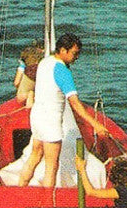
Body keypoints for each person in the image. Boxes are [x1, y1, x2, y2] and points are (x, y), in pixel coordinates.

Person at [17, 33, 107, 189]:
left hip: (37, 118)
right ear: (63, 50)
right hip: (50, 122)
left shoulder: (45, 62)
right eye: (74, 53)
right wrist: (96, 124)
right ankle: (47, 203)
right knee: (52, 166)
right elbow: (75, 104)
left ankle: (20, 188)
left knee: (35, 156)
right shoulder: (63, 72)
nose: (76, 57)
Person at [13, 39, 45, 107]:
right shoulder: (45, 61)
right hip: (40, 91)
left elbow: (16, 82)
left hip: (26, 93)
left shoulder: (24, 62)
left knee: (25, 95)